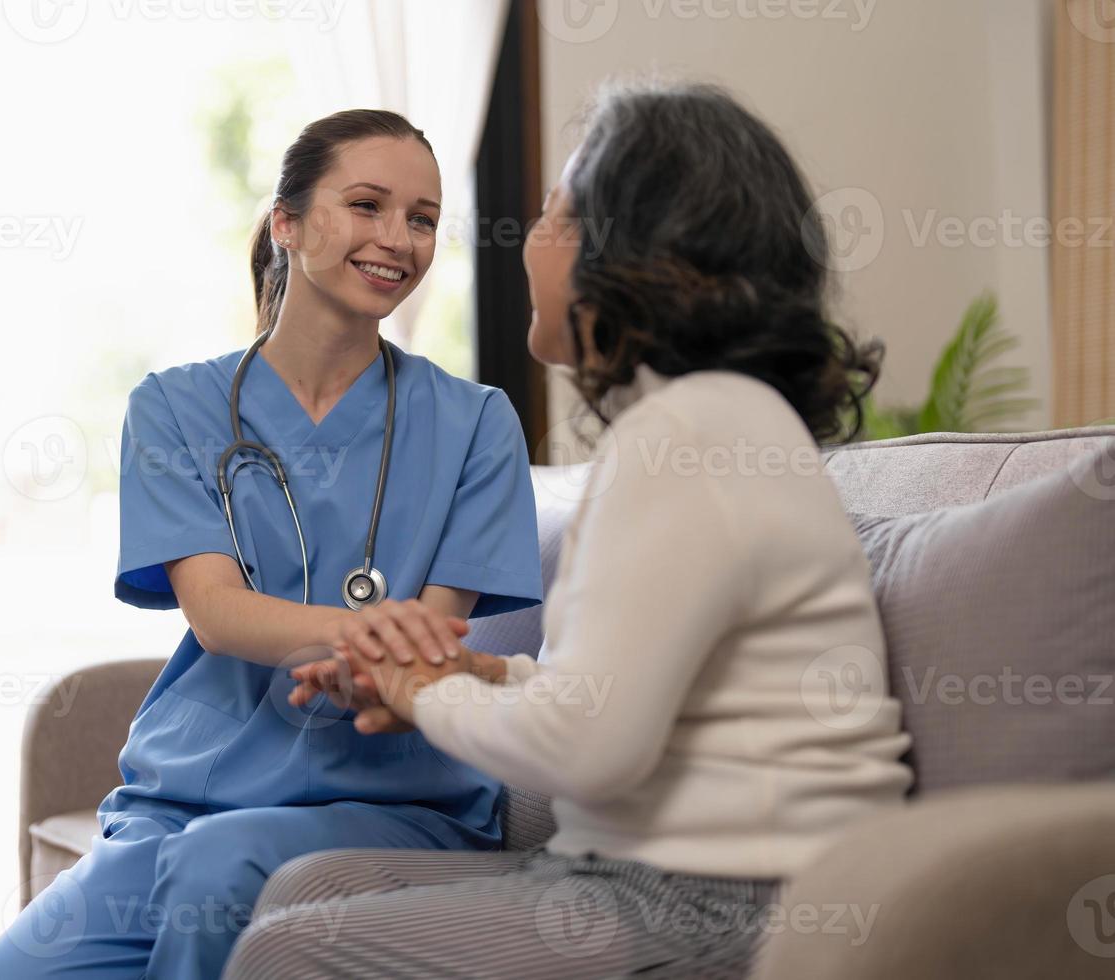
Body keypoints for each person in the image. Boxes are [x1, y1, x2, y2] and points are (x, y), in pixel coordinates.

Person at [225, 79, 914, 980]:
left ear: (630, 252)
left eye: (553, 216)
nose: (528, 246)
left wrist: (421, 686)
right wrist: (482, 671)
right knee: (305, 890)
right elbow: (618, 695)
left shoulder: (690, 436)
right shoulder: (707, 422)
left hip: (738, 899)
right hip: (659, 873)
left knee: (289, 951)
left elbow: (590, 748)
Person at [0, 109, 544, 979]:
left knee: (216, 873)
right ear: (287, 221)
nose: (399, 238)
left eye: (422, 218)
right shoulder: (174, 407)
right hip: (189, 796)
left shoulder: (476, 424)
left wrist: (386, 652)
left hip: (395, 796)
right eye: (367, 205)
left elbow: (432, 643)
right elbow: (217, 613)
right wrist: (372, 639)